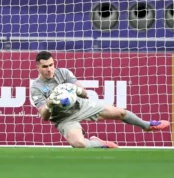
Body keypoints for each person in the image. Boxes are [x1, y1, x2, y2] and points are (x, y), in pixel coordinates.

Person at [30, 51, 169, 149]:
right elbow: (44, 116)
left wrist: (75, 89)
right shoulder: (36, 87)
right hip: (63, 118)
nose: (49, 69)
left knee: (120, 112)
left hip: (81, 106)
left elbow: (85, 94)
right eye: (45, 66)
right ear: (38, 67)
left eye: (51, 65)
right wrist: (49, 104)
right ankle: (99, 143)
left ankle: (146, 125)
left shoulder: (63, 73)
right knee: (79, 144)